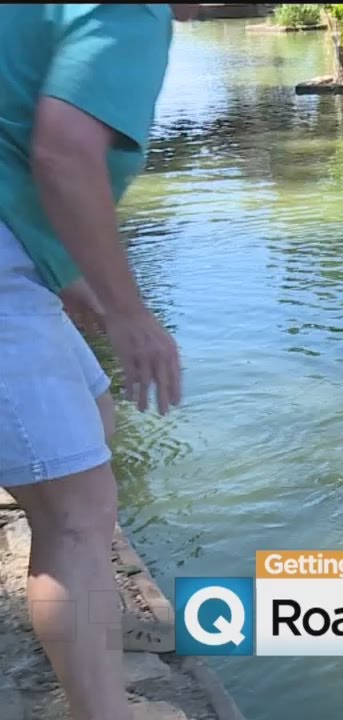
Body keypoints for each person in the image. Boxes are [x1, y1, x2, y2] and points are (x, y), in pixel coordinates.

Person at [0, 5, 191, 720]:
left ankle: (89, 628)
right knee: (78, 517)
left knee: (96, 415)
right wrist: (127, 311)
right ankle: (101, 711)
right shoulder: (125, 9)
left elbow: (15, 136)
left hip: (22, 254)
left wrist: (71, 277)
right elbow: (62, 152)